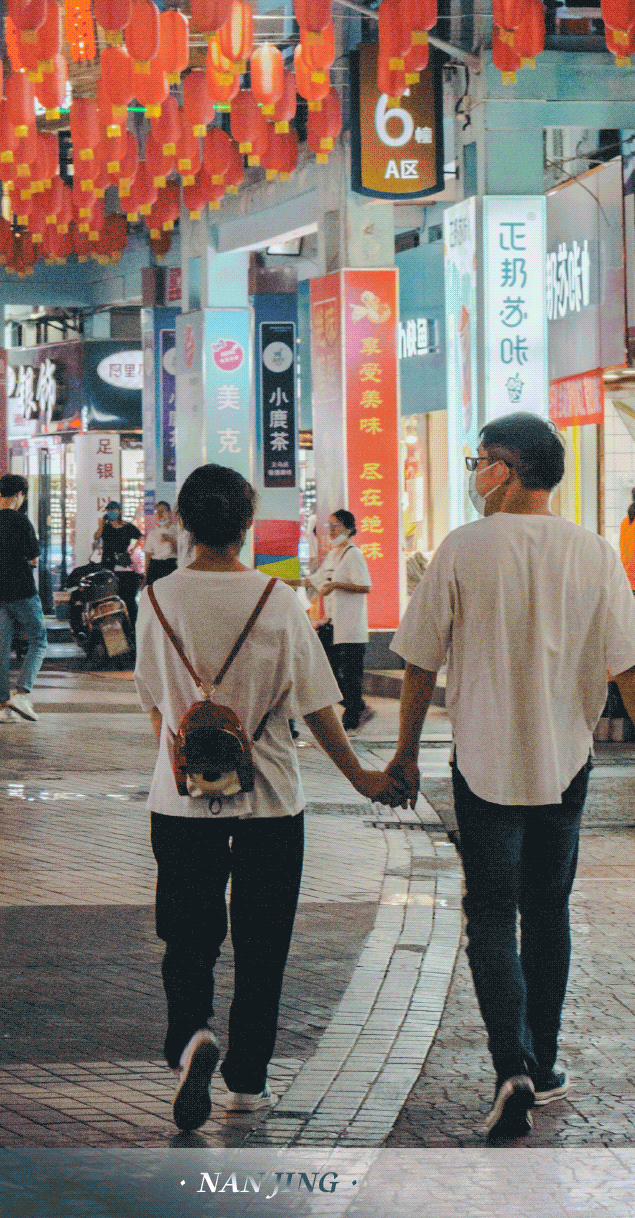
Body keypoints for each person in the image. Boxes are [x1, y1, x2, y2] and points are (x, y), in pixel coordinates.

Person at [385, 413, 635, 1144]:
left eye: (479, 460)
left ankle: (508, 1066)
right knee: (547, 911)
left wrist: (405, 754)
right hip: (565, 763)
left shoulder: (462, 549)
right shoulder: (594, 553)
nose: (475, 472)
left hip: (481, 761)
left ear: (506, 470)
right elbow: (630, 670)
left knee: (489, 912)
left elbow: (419, 664)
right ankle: (541, 1067)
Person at [133, 463, 397, 1133]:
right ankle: (247, 1083)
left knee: (187, 934)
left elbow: (154, 704)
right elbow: (317, 708)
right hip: (272, 803)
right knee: (262, 945)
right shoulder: (278, 601)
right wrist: (364, 780)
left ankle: (190, 1035)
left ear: (182, 523)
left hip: (179, 800)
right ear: (248, 524)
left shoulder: (156, 600)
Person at [0, 473, 48, 723]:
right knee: (39, 639)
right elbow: (34, 557)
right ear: (19, 495)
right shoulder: (20, 521)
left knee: (1, 649)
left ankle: (2, 707)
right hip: (22, 590)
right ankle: (22, 692)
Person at [304, 510, 374, 733]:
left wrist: (336, 585)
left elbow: (365, 586)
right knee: (327, 673)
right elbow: (316, 580)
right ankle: (358, 707)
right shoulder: (334, 555)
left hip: (351, 627)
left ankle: (354, 714)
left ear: (348, 528)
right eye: (329, 525)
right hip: (333, 625)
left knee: (351, 675)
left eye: (335, 525)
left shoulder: (354, 555)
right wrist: (282, 581)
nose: (331, 530)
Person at [95, 501, 142, 628]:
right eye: (109, 510)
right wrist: (101, 525)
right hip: (107, 565)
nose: (111, 512)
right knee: (108, 599)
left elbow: (140, 536)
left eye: (114, 510)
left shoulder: (127, 527)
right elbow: (96, 537)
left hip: (123, 566)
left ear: (119, 511)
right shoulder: (105, 527)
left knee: (127, 599)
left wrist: (132, 551)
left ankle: (131, 627)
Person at [144, 501, 178, 586]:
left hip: (170, 565)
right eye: (157, 511)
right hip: (155, 566)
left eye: (163, 511)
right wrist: (146, 575)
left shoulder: (176, 531)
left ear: (169, 513)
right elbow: (148, 555)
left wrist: (171, 540)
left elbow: (181, 552)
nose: (160, 514)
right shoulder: (153, 533)